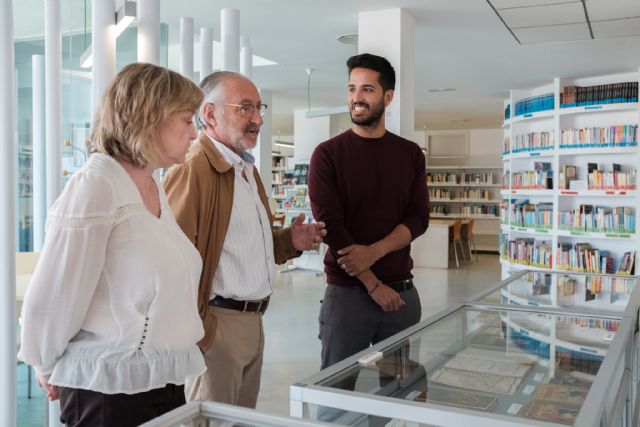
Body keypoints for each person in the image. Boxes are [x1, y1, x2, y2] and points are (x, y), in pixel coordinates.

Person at [19, 63, 206, 427]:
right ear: (151, 117)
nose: (195, 134)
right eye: (186, 120)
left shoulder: (152, 186)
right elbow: (58, 289)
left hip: (158, 380)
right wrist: (43, 361)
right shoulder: (96, 185)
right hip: (108, 389)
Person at [163, 71, 327, 408]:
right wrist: (204, 332)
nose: (258, 119)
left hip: (253, 322)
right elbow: (171, 260)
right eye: (245, 108)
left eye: (259, 108)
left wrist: (288, 242)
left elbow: (245, 245)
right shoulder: (193, 169)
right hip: (218, 326)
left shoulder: (246, 169)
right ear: (210, 114)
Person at [308, 53, 430, 370]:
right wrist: (373, 284)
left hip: (402, 294)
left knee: (398, 390)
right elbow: (331, 226)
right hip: (347, 296)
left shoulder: (410, 154)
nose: (356, 98)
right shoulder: (327, 154)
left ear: (387, 97)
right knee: (337, 394)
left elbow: (418, 218)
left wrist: (374, 252)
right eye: (351, 89)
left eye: (367, 90)